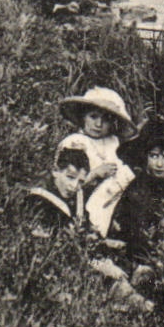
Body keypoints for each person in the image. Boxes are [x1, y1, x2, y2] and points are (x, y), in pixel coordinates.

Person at [109, 128, 164, 291]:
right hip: (139, 257)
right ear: (145, 157)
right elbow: (128, 229)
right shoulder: (137, 187)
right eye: (154, 156)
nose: (159, 164)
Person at [55, 87, 138, 237]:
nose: (98, 124)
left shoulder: (113, 142)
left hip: (114, 199)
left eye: (105, 119)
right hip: (82, 201)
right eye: (93, 117)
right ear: (83, 117)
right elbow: (64, 183)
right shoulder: (75, 142)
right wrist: (95, 174)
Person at [21, 145, 90, 238]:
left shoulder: (78, 197)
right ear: (55, 171)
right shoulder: (38, 197)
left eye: (81, 181)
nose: (74, 185)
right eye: (70, 177)